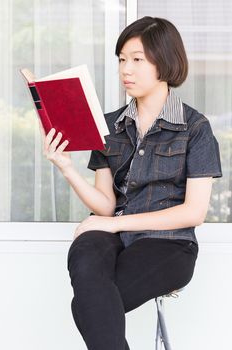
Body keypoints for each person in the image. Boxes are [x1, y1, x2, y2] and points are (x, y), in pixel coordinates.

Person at [39, 16, 222, 350]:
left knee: (89, 304)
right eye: (122, 59)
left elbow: (193, 213)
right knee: (86, 250)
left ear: (165, 62)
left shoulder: (195, 128)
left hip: (169, 243)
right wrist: (66, 167)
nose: (126, 69)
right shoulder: (109, 125)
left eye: (137, 59)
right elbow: (106, 204)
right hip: (116, 235)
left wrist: (109, 224)